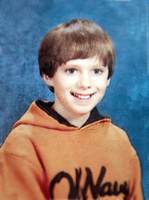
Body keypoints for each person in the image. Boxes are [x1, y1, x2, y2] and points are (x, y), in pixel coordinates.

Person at [0, 19, 143, 199]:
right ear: (48, 75)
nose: (85, 83)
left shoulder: (120, 141)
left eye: (97, 71)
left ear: (108, 78)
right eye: (71, 71)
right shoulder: (23, 145)